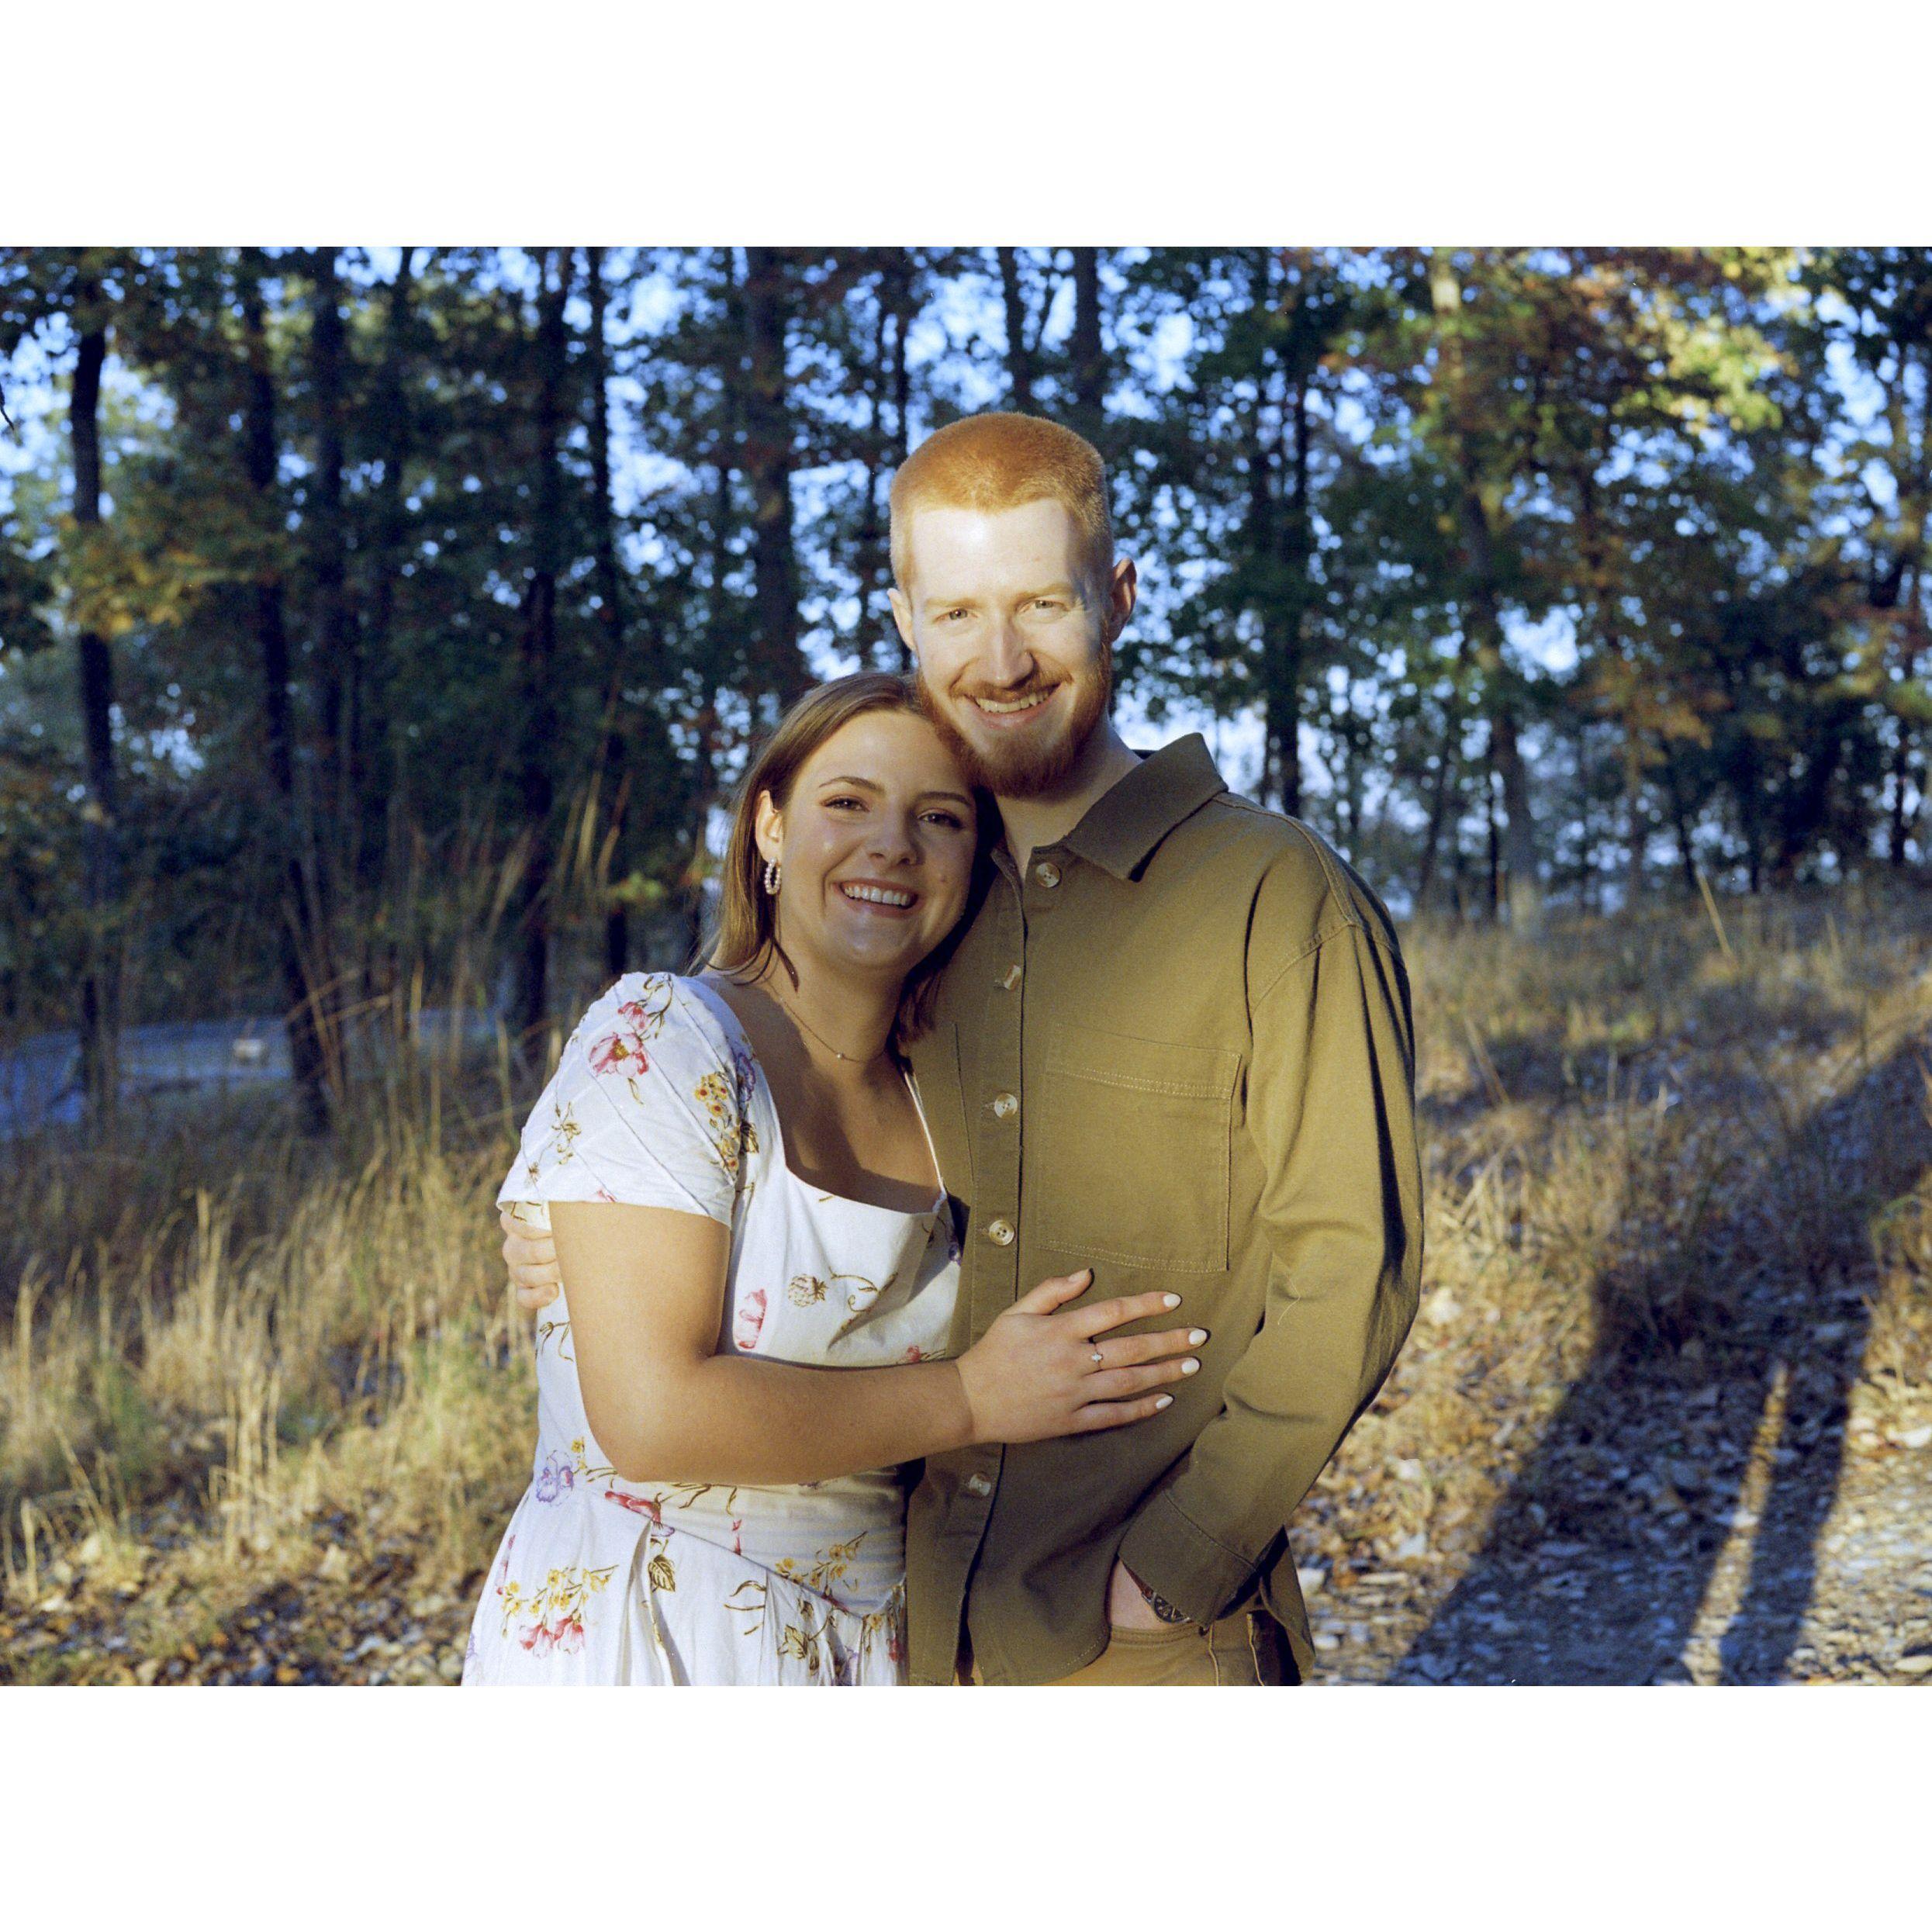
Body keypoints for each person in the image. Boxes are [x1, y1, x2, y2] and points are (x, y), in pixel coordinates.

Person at [508, 413, 1423, 1688]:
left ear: (1117, 597)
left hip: (1139, 1641)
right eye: (956, 614)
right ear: (905, 619)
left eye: (1043, 604)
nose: (1001, 660)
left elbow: (1354, 1268)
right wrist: (585, 1231)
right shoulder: (926, 909)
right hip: (912, 1627)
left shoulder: (1272, 895)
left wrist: (1174, 1569)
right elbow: (764, 1138)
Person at [465, 672, 1203, 1685]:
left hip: (876, 1643)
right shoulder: (667, 1039)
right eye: (848, 802)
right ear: (769, 827)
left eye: (939, 818)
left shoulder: (953, 1096)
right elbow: (651, 1418)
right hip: (656, 1633)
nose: (891, 845)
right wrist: (972, 1399)